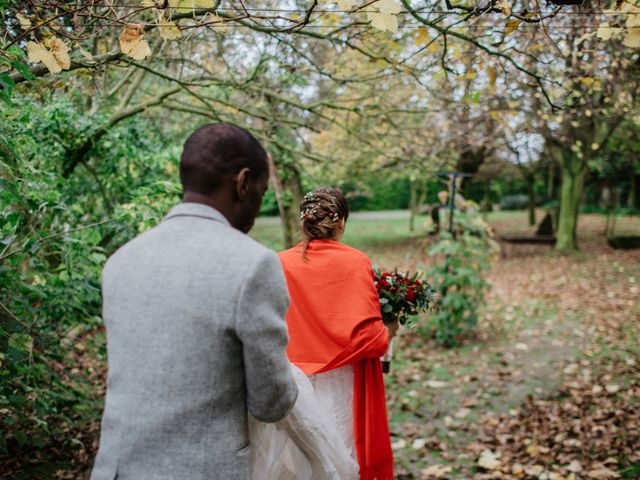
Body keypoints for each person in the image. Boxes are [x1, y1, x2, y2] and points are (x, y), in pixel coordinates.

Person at [90, 123, 298, 480]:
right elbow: (271, 403)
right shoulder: (252, 265)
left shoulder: (120, 261)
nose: (257, 205)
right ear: (243, 183)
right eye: (261, 193)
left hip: (117, 469)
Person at [276, 188, 395, 480]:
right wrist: (389, 330)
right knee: (341, 458)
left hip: (293, 383)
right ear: (340, 223)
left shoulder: (279, 262)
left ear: (303, 222)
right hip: (343, 383)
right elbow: (371, 337)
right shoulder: (356, 262)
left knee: (298, 462)